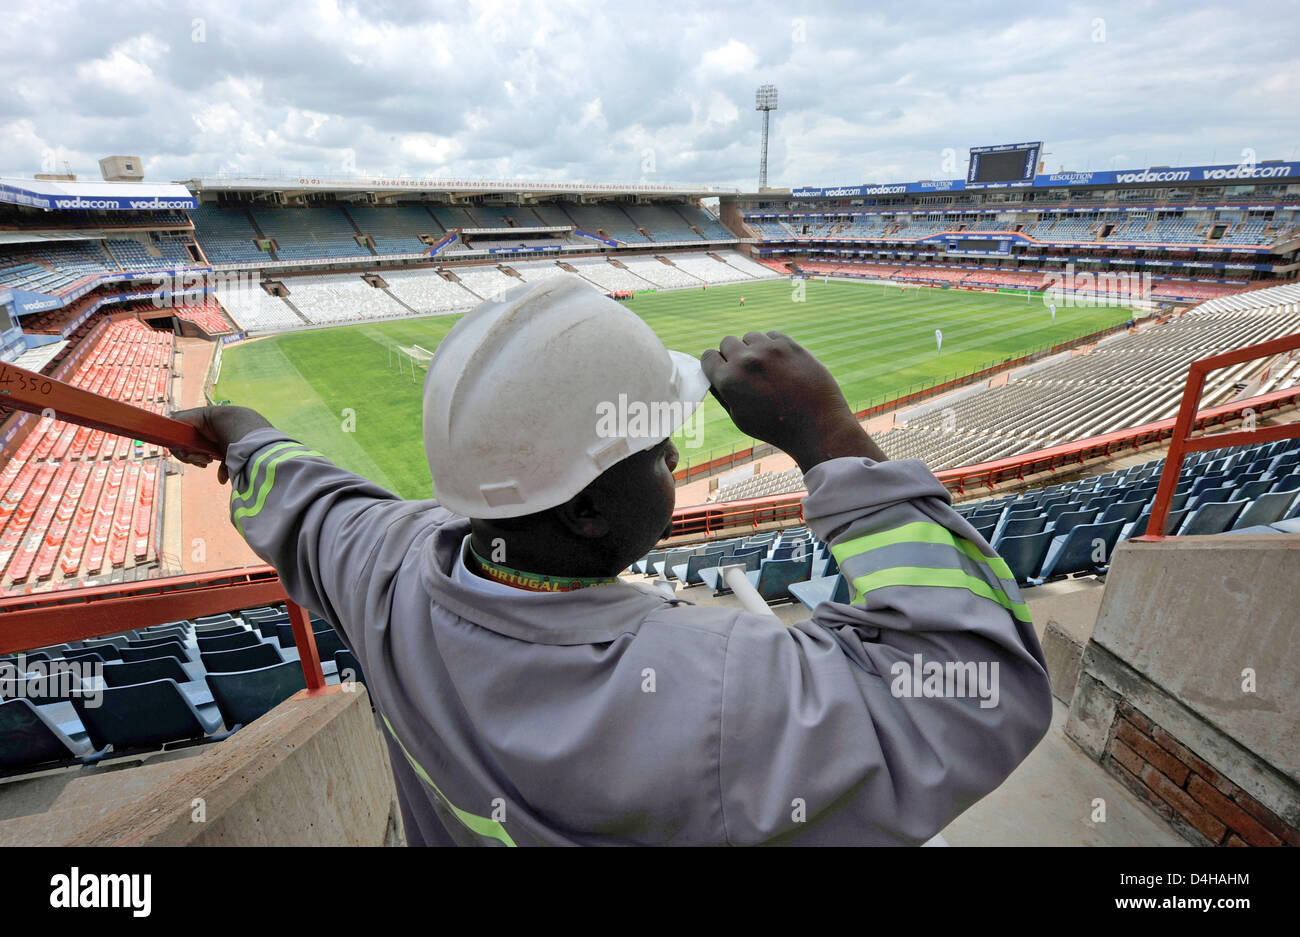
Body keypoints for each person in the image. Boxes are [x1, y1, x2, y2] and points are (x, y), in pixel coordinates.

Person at [172, 277, 1051, 846]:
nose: (672, 461)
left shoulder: (380, 570)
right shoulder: (718, 686)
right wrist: (830, 439)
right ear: (590, 509)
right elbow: (980, 686)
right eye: (658, 448)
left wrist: (242, 434)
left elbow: (303, 498)